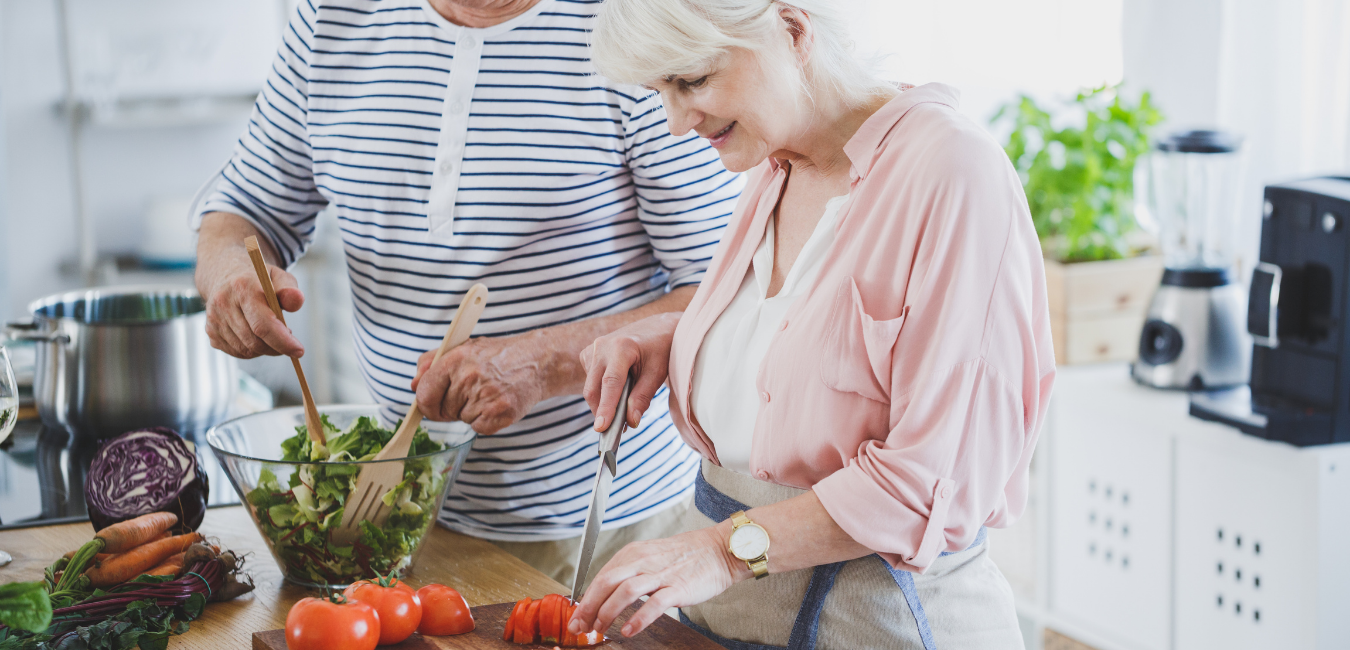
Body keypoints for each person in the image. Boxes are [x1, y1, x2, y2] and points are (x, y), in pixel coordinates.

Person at [192, 0, 743, 586]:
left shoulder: (633, 22)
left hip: (600, 526)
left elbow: (726, 291)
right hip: (398, 514)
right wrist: (231, 274)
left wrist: (541, 362)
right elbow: (241, 211)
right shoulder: (331, 15)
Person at [570, 1, 1055, 648]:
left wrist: (721, 552)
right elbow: (815, 347)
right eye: (661, 91)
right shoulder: (778, 166)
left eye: (692, 81)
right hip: (735, 626)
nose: (677, 122)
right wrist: (686, 341)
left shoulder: (953, 172)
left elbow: (931, 483)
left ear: (793, 31)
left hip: (885, 627)